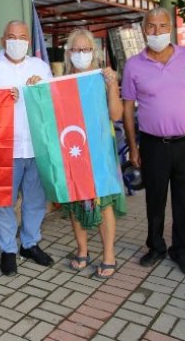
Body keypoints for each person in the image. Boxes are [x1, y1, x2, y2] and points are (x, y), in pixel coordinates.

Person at [122, 7, 185, 278]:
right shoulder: (133, 65)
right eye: (151, 26)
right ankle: (156, 246)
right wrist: (133, 147)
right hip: (153, 144)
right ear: (143, 30)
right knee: (155, 198)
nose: (157, 31)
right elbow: (127, 108)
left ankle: (181, 251)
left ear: (170, 29)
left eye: (162, 26)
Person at [0, 20, 54, 277]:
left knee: (35, 201)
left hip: (36, 147)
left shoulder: (41, 67)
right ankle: (8, 250)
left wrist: (41, 90)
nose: (17, 41)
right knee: (3, 202)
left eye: (22, 37)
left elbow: (53, 103)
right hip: (3, 149)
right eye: (11, 36)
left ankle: (30, 244)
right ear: (3, 40)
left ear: (29, 42)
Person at [63, 28, 126, 279]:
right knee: (75, 200)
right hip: (73, 151)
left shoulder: (103, 78)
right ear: (69, 53)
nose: (81, 54)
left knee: (104, 203)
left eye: (86, 49)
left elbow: (116, 115)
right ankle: (82, 249)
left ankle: (109, 255)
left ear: (94, 51)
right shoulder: (60, 82)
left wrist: (112, 86)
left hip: (99, 151)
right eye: (76, 49)